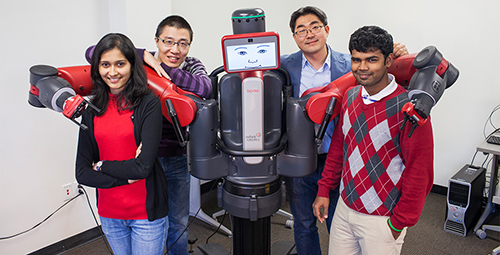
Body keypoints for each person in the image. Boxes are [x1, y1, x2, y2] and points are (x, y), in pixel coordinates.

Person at [280, 6, 408, 255]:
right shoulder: (284, 65)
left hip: (340, 158)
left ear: (326, 30)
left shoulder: (351, 63)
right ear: (294, 37)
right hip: (299, 158)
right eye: (301, 30)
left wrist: (398, 54)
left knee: (339, 222)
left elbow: (381, 70)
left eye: (315, 27)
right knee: (304, 223)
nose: (309, 34)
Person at [313, 25, 434, 255]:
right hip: (345, 208)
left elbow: (420, 171)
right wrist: (324, 190)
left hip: (383, 219)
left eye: (372, 60)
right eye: (356, 60)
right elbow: (339, 148)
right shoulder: (350, 96)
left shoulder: (409, 108)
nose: (362, 68)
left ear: (389, 60)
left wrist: (399, 222)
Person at [75, 33, 168, 255]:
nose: (113, 72)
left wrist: (102, 165)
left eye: (120, 64)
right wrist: (126, 175)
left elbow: (143, 168)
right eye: (105, 64)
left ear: (131, 66)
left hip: (146, 213)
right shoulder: (90, 110)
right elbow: (82, 173)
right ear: (97, 68)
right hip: (109, 213)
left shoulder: (148, 104)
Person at [142, 15, 212, 255]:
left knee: (179, 220)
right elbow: (94, 53)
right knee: (148, 222)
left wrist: (164, 70)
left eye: (183, 43)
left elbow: (205, 87)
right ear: (157, 41)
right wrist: (139, 53)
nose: (175, 49)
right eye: (168, 42)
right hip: (143, 158)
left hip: (177, 155)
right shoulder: (140, 62)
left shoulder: (192, 64)